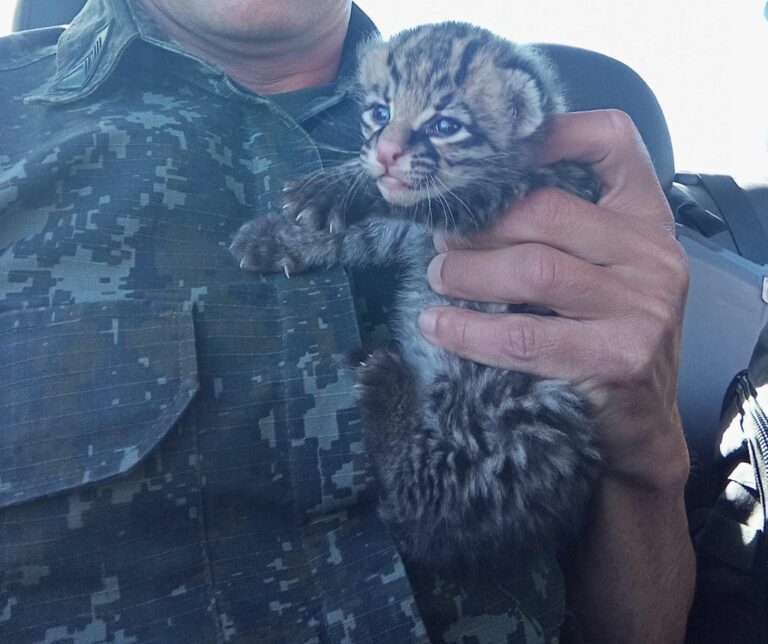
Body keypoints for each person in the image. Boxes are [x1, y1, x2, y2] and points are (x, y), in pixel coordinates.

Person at [0, 0, 694, 642]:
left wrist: (650, 457)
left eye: (439, 125)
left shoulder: (548, 173)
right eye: (381, 120)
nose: (389, 150)